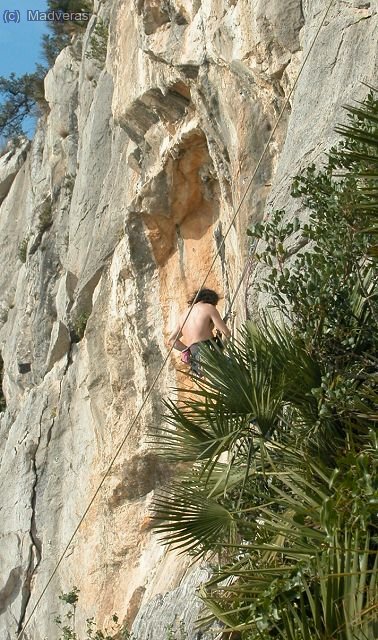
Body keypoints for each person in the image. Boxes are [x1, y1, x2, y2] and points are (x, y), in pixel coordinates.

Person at [168, 288, 231, 375]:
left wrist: (186, 350)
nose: (215, 307)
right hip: (208, 352)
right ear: (211, 301)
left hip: (196, 361)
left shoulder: (183, 316)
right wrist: (219, 350)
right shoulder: (209, 307)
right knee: (243, 373)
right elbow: (226, 333)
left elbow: (172, 340)